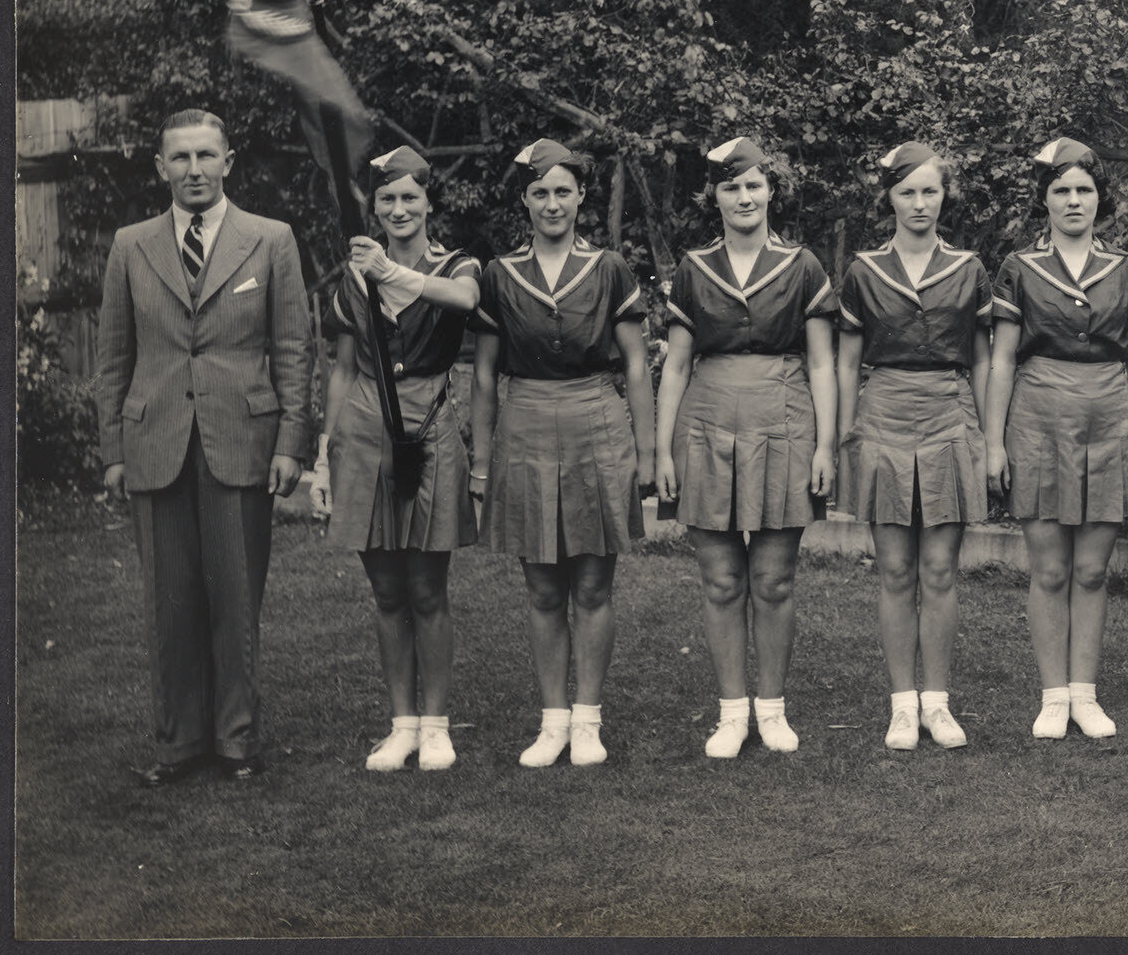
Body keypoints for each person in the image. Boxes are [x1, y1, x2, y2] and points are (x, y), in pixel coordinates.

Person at [94, 109, 309, 785]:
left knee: (235, 596)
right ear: (161, 166)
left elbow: (295, 349)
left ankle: (237, 740)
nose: (193, 170)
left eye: (205, 156)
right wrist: (113, 451)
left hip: (241, 437)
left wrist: (291, 443)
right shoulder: (131, 245)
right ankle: (179, 743)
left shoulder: (270, 240)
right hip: (154, 438)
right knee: (172, 599)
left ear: (228, 161)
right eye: (180, 158)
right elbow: (113, 356)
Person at [470, 138, 654, 768]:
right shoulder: (499, 274)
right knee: (544, 588)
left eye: (563, 192)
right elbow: (484, 375)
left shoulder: (609, 269)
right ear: (525, 200)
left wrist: (647, 453)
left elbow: (636, 365)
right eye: (540, 192)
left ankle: (588, 721)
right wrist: (481, 461)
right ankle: (552, 721)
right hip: (524, 422)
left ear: (581, 197)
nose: (553, 203)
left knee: (595, 585)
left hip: (595, 420)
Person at [654, 136, 837, 758]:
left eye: (754, 185)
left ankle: (772, 709)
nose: (743, 197)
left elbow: (821, 363)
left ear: (770, 192)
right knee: (721, 578)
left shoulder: (802, 266)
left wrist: (824, 446)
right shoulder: (693, 268)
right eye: (731, 187)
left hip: (784, 420)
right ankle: (732, 714)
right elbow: (675, 367)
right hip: (705, 423)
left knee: (775, 578)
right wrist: (662, 451)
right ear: (715, 197)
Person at [316, 146, 481, 770]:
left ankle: (437, 725)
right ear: (374, 207)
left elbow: (464, 300)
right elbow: (342, 368)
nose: (399, 208)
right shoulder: (352, 276)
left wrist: (388, 270)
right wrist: (324, 454)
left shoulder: (456, 263)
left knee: (427, 588)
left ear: (429, 203)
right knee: (387, 590)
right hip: (363, 428)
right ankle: (403, 723)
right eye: (387, 199)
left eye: (411, 197)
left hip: (430, 423)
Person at [985, 137, 1128, 740]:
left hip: (1108, 414)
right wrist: (994, 441)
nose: (1074, 200)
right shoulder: (1018, 268)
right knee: (1050, 569)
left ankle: (1085, 693)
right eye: (1061, 191)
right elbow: (1002, 360)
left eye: (1084, 189)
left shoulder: (1127, 268)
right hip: (1039, 416)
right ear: (1045, 200)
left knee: (1092, 569)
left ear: (1099, 197)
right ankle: (1053, 695)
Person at [835, 142, 992, 750]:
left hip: (948, 412)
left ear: (943, 193)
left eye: (929, 190)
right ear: (890, 199)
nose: (920, 203)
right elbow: (848, 363)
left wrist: (984, 433)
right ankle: (903, 705)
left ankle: (938, 702)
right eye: (907, 192)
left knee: (940, 569)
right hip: (884, 415)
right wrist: (844, 435)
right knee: (896, 569)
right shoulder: (864, 270)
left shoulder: (969, 269)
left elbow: (981, 361)